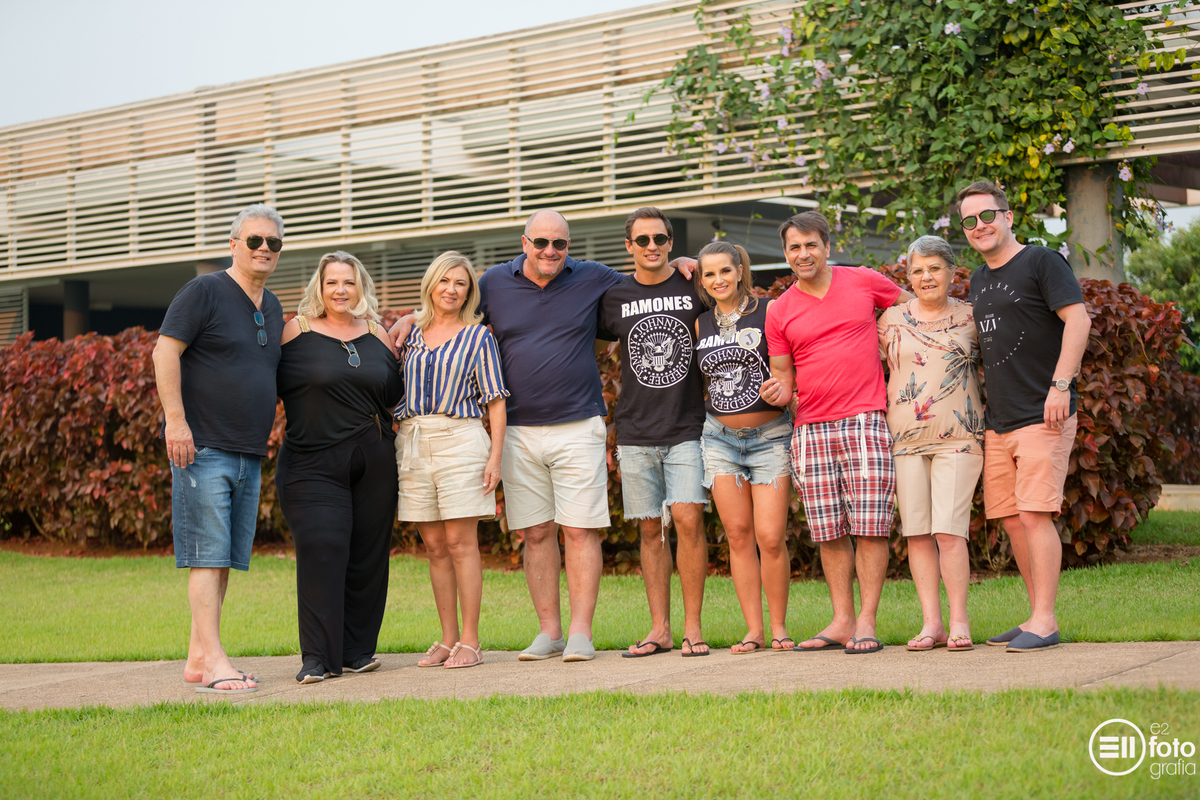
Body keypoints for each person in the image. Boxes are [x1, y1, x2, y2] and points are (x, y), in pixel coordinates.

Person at [466, 209, 694, 663]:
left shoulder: (593, 278)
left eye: (560, 244)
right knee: (535, 533)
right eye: (541, 243)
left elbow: (648, 276)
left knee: (580, 529)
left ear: (569, 247)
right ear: (524, 242)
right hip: (516, 428)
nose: (550, 251)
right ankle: (548, 632)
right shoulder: (492, 282)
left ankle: (580, 634)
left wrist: (684, 262)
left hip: (578, 422)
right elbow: (448, 305)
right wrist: (409, 320)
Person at [764, 211, 912, 654]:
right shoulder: (780, 310)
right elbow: (783, 376)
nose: (803, 254)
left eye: (811, 244)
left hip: (865, 418)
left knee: (869, 526)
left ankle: (866, 620)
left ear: (827, 247)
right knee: (828, 530)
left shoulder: (864, 280)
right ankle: (842, 620)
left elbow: (911, 307)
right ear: (786, 254)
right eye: (794, 247)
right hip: (810, 428)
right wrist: (777, 392)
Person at [153, 203, 286, 694]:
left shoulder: (270, 306)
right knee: (206, 556)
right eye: (255, 241)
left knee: (224, 557)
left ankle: (197, 657)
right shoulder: (204, 291)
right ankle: (215, 663)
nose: (264, 250)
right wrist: (176, 421)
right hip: (202, 446)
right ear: (234, 245)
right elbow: (165, 350)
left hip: (248, 450)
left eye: (273, 243)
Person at [957, 180, 1090, 653]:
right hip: (1001, 420)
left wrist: (1060, 385)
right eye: (969, 221)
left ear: (1008, 217)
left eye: (987, 216)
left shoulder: (1041, 261)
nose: (979, 226)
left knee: (1035, 515)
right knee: (1013, 520)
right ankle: (1035, 614)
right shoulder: (978, 279)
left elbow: (1078, 319)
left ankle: (1046, 620)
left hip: (1043, 411)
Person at [275, 251, 401, 684]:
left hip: (375, 461)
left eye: (349, 282)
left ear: (361, 287)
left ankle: (356, 650)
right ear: (320, 287)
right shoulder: (296, 331)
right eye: (332, 283)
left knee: (368, 557)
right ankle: (316, 658)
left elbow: (393, 397)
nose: (341, 290)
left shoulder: (379, 334)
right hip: (311, 462)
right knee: (322, 550)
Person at [598, 208, 709, 658]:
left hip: (688, 425)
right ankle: (660, 628)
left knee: (688, 522)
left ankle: (693, 629)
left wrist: (694, 263)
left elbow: (742, 305)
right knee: (650, 532)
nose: (651, 247)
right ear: (629, 247)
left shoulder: (694, 284)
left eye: (660, 239)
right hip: (636, 430)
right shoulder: (614, 296)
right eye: (642, 240)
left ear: (669, 242)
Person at [395, 252, 508, 670]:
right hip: (413, 440)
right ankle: (446, 638)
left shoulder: (478, 337)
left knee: (462, 544)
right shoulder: (410, 334)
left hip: (460, 439)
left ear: (469, 291)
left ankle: (472, 641)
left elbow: (496, 402)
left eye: (460, 283)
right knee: (435, 547)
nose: (451, 289)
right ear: (431, 285)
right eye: (444, 281)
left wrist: (495, 457)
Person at [878, 236, 983, 653]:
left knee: (948, 531)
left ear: (952, 273)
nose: (926, 277)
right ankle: (931, 624)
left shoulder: (972, 317)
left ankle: (959, 622)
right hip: (904, 440)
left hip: (959, 437)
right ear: (908, 276)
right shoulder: (889, 320)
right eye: (918, 270)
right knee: (918, 533)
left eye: (935, 268)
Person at [694, 241, 794, 654]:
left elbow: (792, 365)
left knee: (770, 537)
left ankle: (780, 627)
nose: (718, 280)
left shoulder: (770, 311)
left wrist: (785, 387)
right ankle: (753, 629)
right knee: (737, 535)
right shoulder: (700, 323)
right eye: (709, 274)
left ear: (740, 271)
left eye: (725, 271)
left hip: (770, 439)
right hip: (719, 441)